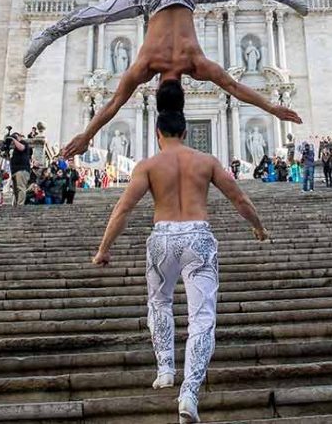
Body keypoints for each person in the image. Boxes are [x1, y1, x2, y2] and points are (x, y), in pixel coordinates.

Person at [91, 108, 269, 424]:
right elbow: (239, 199)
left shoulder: (149, 165)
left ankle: (164, 370)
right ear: (185, 133)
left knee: (159, 304)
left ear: (158, 133)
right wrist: (258, 227)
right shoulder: (206, 161)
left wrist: (103, 249)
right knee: (202, 317)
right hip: (197, 239)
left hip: (162, 240)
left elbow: (123, 208)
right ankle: (189, 392)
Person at [25, 0, 309, 158]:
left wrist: (273, 109)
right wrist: (86, 136)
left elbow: (235, 87)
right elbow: (113, 106)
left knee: (95, 14)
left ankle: (49, 34)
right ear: (159, 86)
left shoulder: (195, 64)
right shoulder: (147, 66)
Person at [8, 132, 32, 206]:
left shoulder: (24, 143)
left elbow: (21, 148)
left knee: (21, 188)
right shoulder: (14, 149)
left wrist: (14, 139)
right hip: (14, 170)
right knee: (15, 190)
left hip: (22, 170)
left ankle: (20, 205)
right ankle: (16, 204)